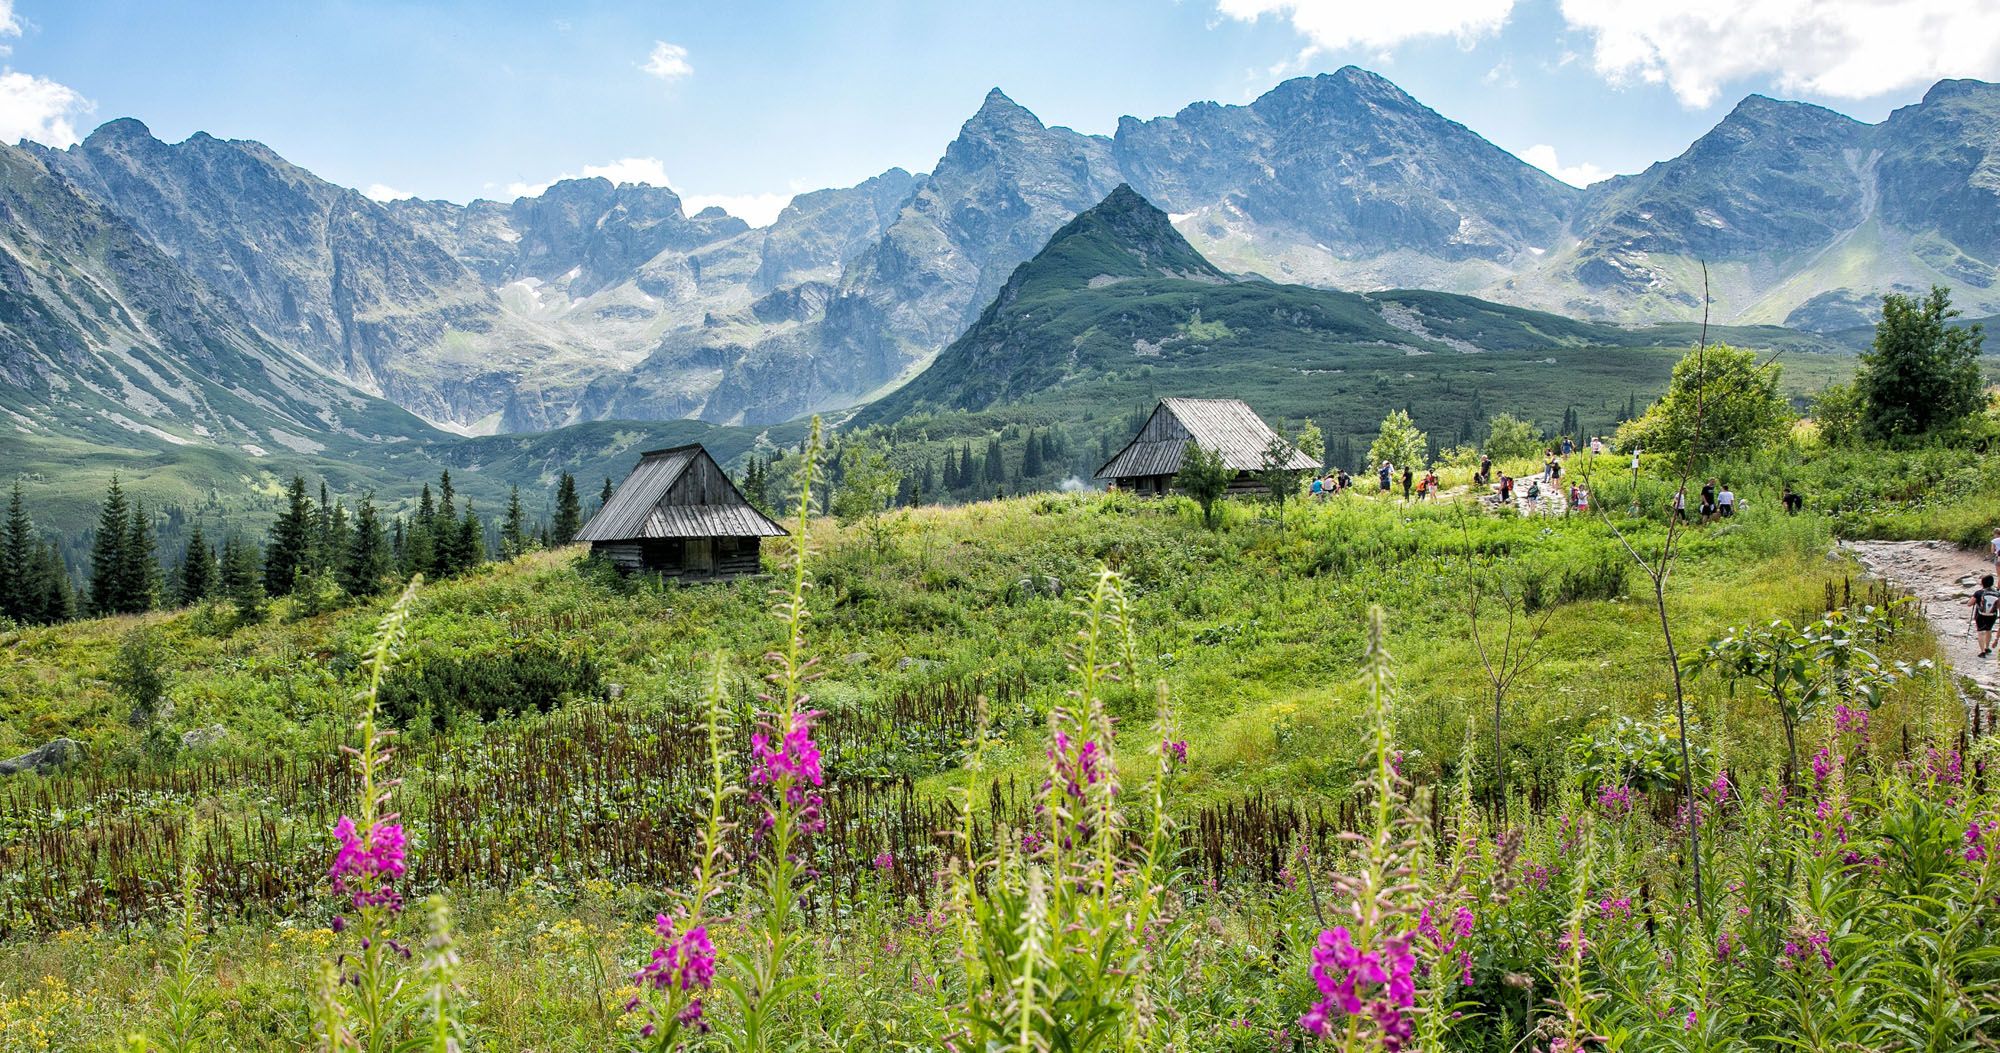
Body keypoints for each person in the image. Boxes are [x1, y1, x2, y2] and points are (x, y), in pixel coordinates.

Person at [1973, 574, 2000, 658]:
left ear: (1982, 583)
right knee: (1989, 630)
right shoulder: (1997, 593)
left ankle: (1982, 651)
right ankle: (1987, 647)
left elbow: (1969, 603)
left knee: (1981, 632)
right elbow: (1998, 606)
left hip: (1980, 615)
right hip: (1992, 615)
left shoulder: (1979, 592)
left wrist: (1977, 602)